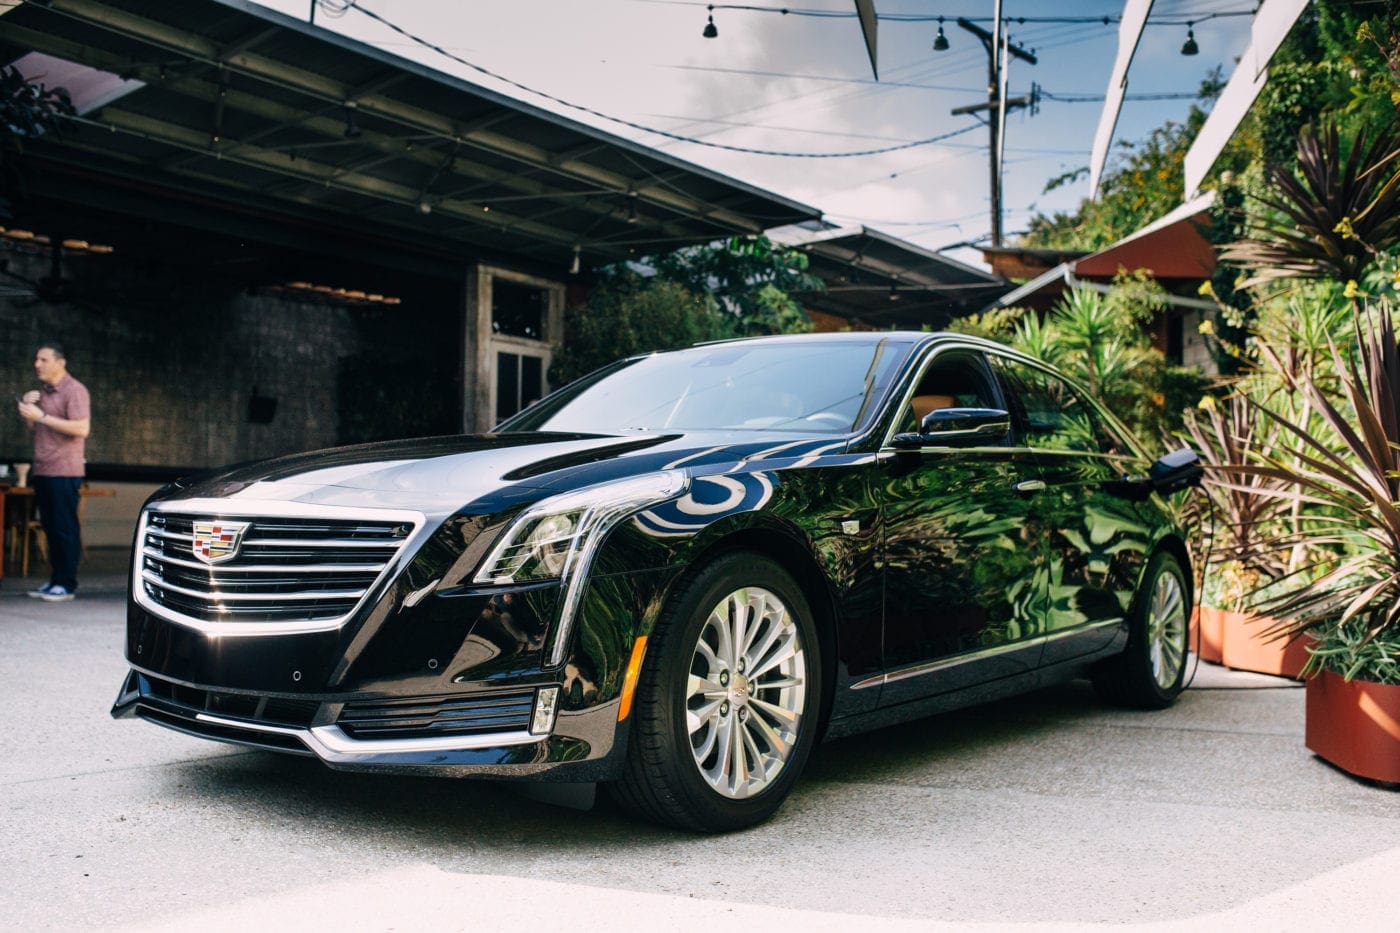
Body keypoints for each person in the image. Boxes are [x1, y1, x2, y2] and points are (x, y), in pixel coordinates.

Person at [15, 343, 91, 601]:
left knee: (64, 527)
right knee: (50, 527)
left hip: (64, 471)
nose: (37, 364)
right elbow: (35, 429)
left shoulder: (75, 390)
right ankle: (55, 580)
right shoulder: (43, 393)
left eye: (43, 359)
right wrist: (28, 410)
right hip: (43, 470)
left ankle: (67, 585)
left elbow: (82, 429)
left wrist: (42, 416)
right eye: (36, 359)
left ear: (60, 363)